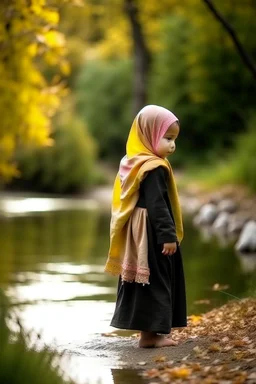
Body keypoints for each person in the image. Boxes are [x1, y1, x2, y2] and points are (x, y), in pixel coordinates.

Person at [104, 105, 187, 348]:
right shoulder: (153, 167)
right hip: (152, 231)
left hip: (136, 230)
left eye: (174, 139)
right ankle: (150, 337)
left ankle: (148, 334)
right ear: (149, 135)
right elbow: (157, 205)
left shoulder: (132, 162)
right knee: (157, 277)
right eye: (167, 138)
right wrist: (167, 236)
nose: (172, 145)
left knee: (145, 278)